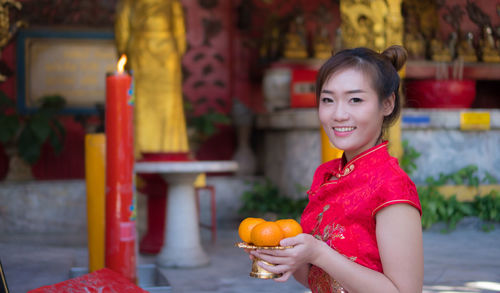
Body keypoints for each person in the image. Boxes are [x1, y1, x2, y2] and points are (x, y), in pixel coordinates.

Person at [250, 46, 423, 293]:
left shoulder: (392, 188)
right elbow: (319, 279)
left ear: (387, 104)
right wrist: (284, 257)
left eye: (355, 100)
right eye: (328, 100)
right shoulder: (328, 175)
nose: (339, 114)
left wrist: (319, 253)